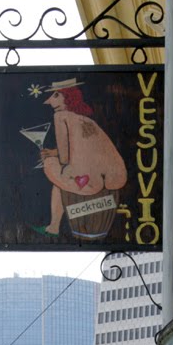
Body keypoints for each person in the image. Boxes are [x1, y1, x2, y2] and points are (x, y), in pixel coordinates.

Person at [36, 79, 128, 238]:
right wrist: (55, 152)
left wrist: (54, 157)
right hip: (115, 178)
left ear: (64, 96)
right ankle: (54, 226)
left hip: (88, 183)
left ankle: (54, 227)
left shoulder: (60, 116)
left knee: (51, 165)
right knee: (58, 165)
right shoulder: (86, 120)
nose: (49, 101)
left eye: (53, 96)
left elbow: (65, 158)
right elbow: (86, 148)